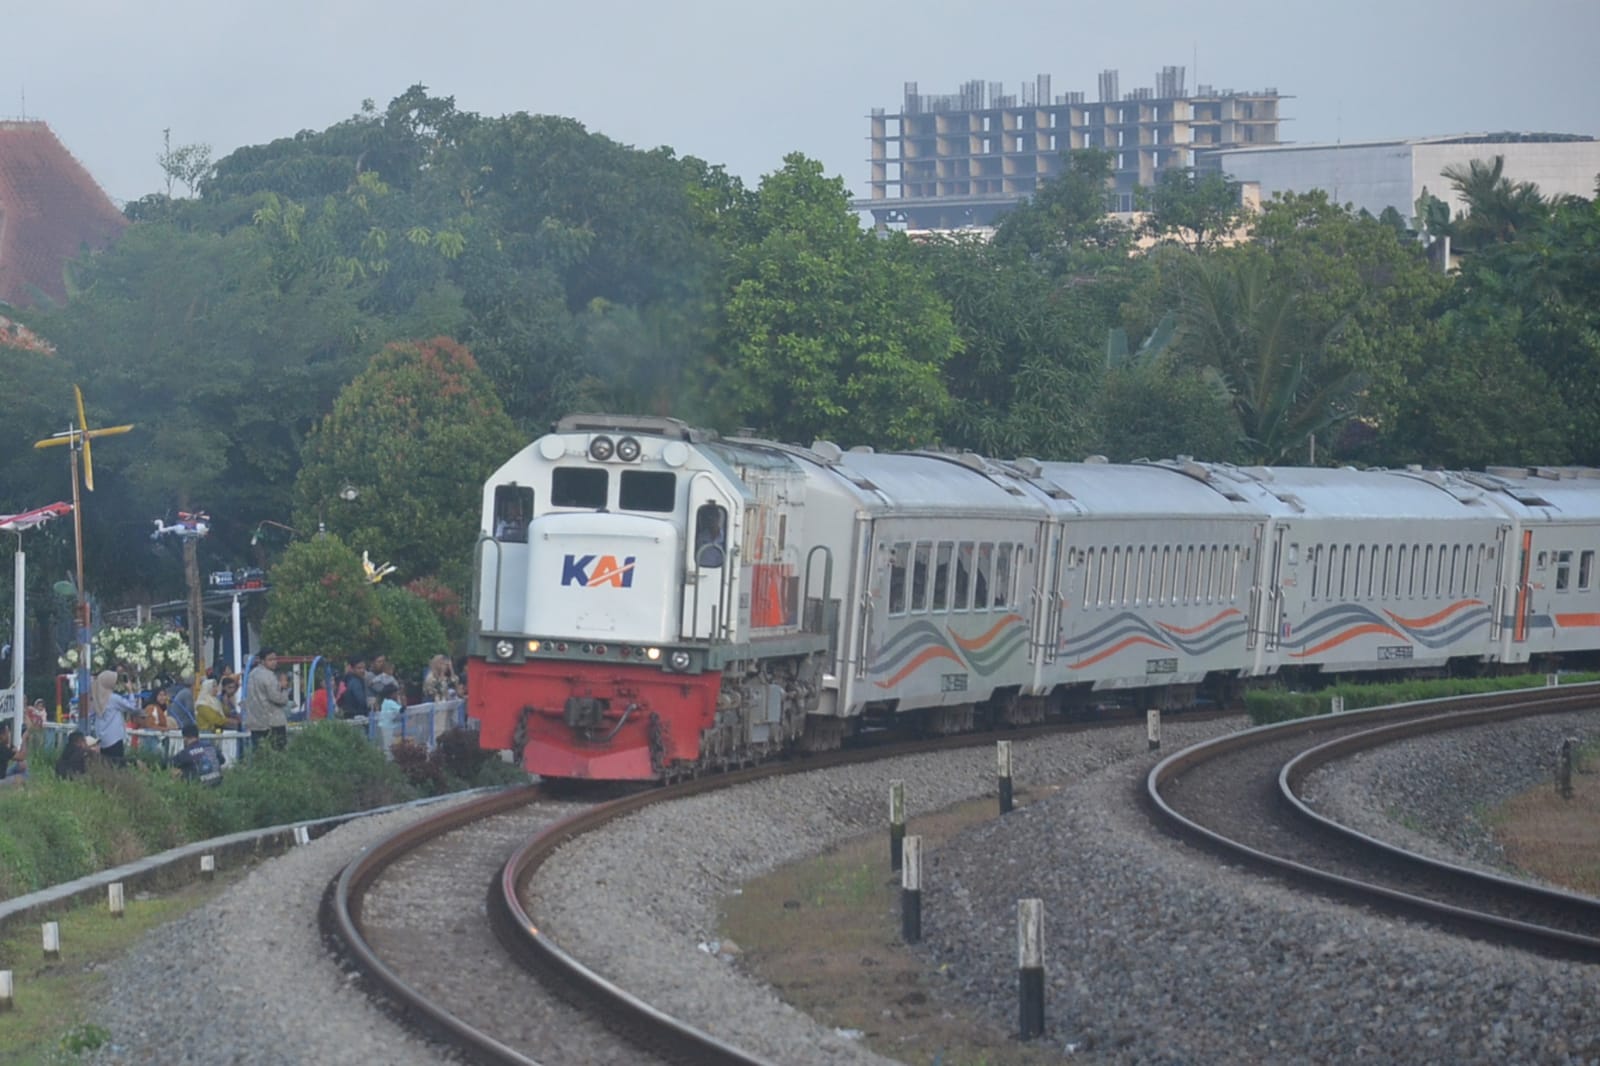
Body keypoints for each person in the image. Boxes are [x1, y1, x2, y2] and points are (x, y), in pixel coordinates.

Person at [244, 650, 290, 750]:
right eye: (270, 659)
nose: (274, 662)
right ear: (262, 661)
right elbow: (277, 698)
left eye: (275, 659)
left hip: (256, 722)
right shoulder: (269, 676)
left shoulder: (252, 674)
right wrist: (284, 688)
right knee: (278, 755)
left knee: (260, 755)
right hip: (273, 722)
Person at [88, 669, 133, 762]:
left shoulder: (96, 697)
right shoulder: (114, 698)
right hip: (115, 739)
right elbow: (132, 708)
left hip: (101, 739)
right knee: (117, 765)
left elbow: (90, 714)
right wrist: (130, 691)